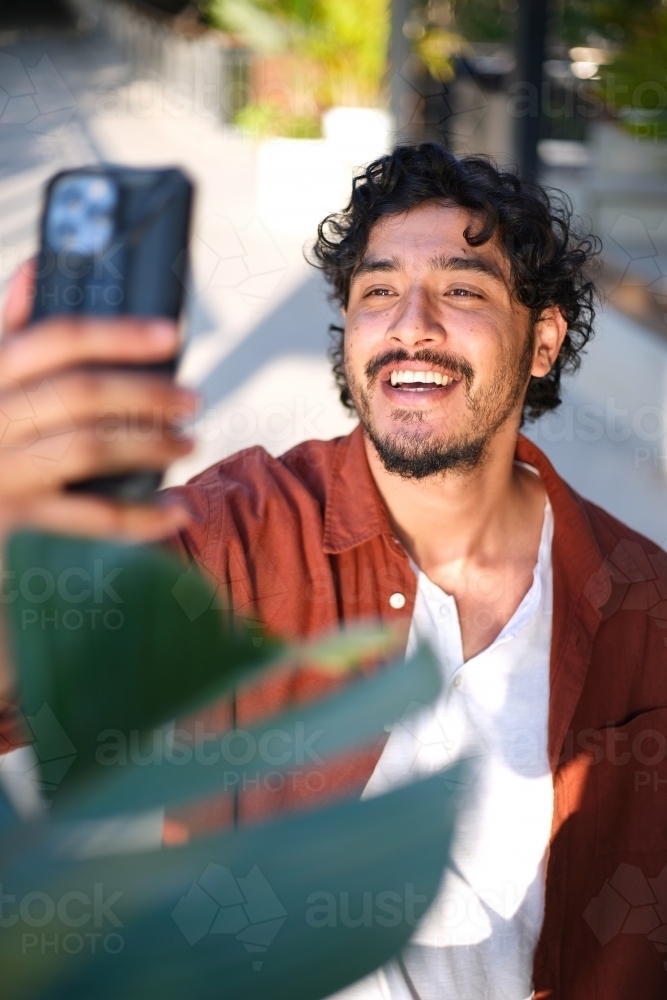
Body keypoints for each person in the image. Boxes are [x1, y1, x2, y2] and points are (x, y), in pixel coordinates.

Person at [0, 143, 665, 999]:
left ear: (541, 342)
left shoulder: (641, 603)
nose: (410, 322)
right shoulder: (237, 529)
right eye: (377, 291)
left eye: (461, 290)